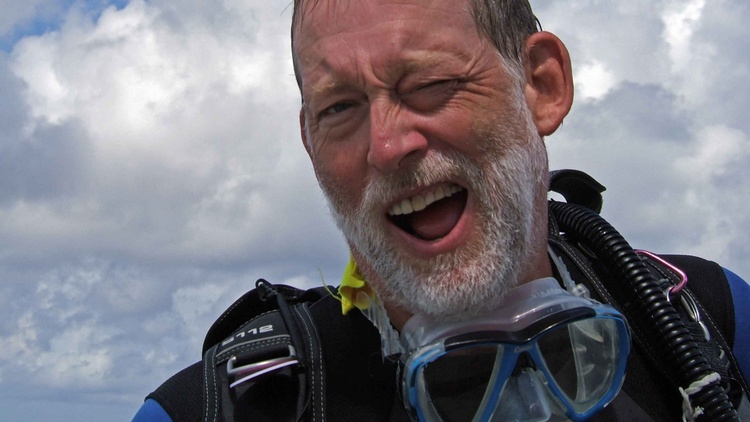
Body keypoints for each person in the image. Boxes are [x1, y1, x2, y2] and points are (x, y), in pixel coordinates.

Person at [133, 0, 750, 421]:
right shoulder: (225, 407)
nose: (386, 146)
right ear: (309, 141)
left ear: (541, 86)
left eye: (428, 86)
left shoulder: (709, 321)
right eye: (340, 109)